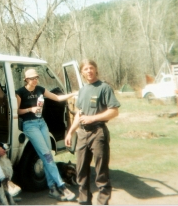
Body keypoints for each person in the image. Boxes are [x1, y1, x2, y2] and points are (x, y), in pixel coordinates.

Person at [15, 68, 77, 201]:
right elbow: (16, 112)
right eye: (32, 78)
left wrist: (72, 94)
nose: (35, 80)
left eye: (36, 77)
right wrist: (30, 109)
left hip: (42, 123)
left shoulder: (40, 89)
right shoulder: (20, 92)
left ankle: (52, 188)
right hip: (30, 125)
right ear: (26, 79)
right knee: (47, 156)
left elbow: (57, 98)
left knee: (47, 155)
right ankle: (61, 186)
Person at [64, 59, 120, 205]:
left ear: (95, 69)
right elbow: (79, 113)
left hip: (98, 132)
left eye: (91, 68)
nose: (89, 71)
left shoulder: (104, 88)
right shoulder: (82, 90)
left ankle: (102, 202)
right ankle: (84, 202)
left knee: (101, 173)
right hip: (82, 134)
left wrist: (92, 118)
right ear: (82, 72)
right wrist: (70, 132)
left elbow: (114, 111)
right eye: (85, 69)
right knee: (81, 171)